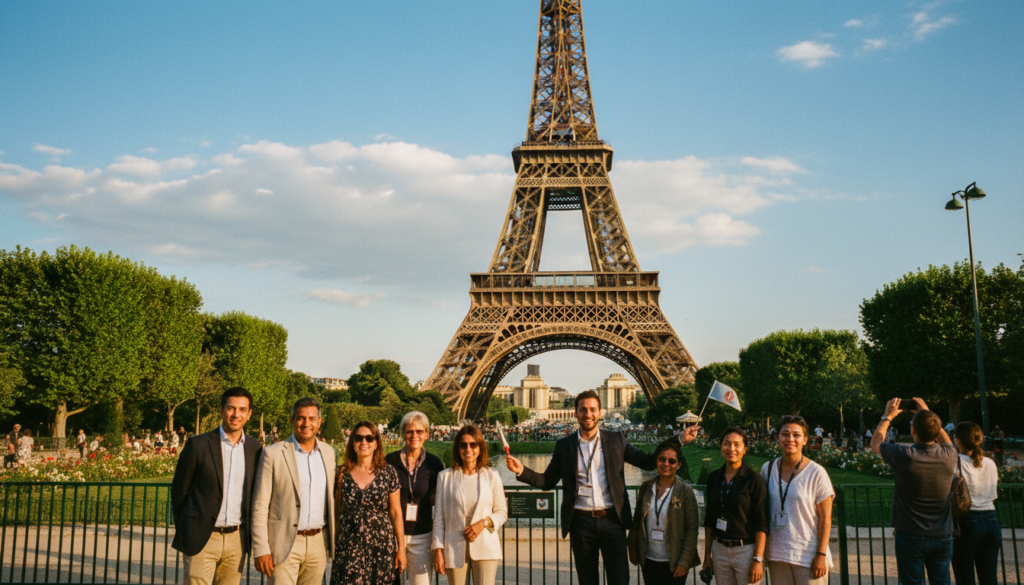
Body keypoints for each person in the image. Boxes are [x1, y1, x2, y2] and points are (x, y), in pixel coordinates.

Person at [506, 390, 698, 585]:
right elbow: (547, 481)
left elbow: (648, 462)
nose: (587, 414)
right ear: (575, 413)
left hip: (612, 521)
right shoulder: (564, 445)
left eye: (592, 410)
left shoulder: (617, 440)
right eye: (583, 410)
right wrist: (522, 470)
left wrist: (679, 439)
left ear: (600, 412)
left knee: (620, 580)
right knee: (587, 581)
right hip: (580, 523)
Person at [171, 387, 263, 585]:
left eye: (242, 409)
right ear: (221, 410)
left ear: (249, 414)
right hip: (202, 537)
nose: (236, 414)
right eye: (231, 408)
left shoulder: (255, 449)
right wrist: (188, 528)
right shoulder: (198, 444)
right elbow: (179, 491)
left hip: (237, 540)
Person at [870, 397, 957, 585]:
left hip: (910, 532)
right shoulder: (950, 455)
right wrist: (927, 413)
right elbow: (946, 439)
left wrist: (887, 416)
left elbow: (875, 443)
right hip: (942, 532)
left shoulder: (904, 454)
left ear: (912, 430)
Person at [252, 398, 336, 585]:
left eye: (312, 418)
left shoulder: (329, 453)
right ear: (291, 421)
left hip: (317, 543)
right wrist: (261, 548)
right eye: (301, 418)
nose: (306, 423)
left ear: (319, 422)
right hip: (282, 543)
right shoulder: (273, 453)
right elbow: (259, 506)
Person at [330, 421, 407, 585]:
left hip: (381, 548)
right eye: (358, 438)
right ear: (352, 442)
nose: (363, 442)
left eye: (369, 438)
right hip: (349, 547)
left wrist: (401, 548)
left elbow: (395, 512)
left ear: (376, 443)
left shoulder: (388, 472)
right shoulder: (341, 474)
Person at [760, 416, 834, 585]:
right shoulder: (768, 469)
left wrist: (821, 554)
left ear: (805, 440)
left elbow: (826, 518)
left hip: (808, 555)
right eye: (785, 434)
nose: (790, 439)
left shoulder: (816, 472)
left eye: (796, 435)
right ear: (778, 437)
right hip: (777, 554)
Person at [433, 425, 507, 585]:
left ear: (480, 448)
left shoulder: (492, 476)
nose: (468, 449)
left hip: (486, 545)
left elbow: (502, 512)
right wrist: (438, 549)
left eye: (473, 444)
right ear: (457, 448)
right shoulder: (444, 477)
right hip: (454, 546)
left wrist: (484, 523)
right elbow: (438, 517)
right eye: (463, 445)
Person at [702, 427, 768, 585]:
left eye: (737, 444)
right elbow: (709, 519)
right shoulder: (714, 478)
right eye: (727, 443)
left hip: (745, 551)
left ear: (745, 449)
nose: (731, 448)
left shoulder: (754, 480)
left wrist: (758, 560)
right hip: (719, 550)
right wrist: (707, 557)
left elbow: (761, 522)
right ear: (720, 447)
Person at [385, 411, 444, 585]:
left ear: (426, 434)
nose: (414, 435)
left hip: (422, 536)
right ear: (403, 434)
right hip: (393, 536)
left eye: (419, 431)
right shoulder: (389, 461)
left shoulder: (434, 464)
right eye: (409, 431)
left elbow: (441, 504)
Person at [630, 441, 700, 584]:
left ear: (678, 465)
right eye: (662, 459)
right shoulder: (646, 487)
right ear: (656, 461)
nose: (666, 464)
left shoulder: (686, 492)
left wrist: (684, 561)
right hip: (648, 560)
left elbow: (692, 530)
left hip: (674, 562)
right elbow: (637, 521)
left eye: (672, 461)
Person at [951, 421, 1001, 585]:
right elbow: (993, 495)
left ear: (957, 440)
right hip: (991, 519)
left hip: (967, 519)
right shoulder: (990, 463)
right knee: (989, 577)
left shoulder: (956, 462)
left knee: (965, 577)